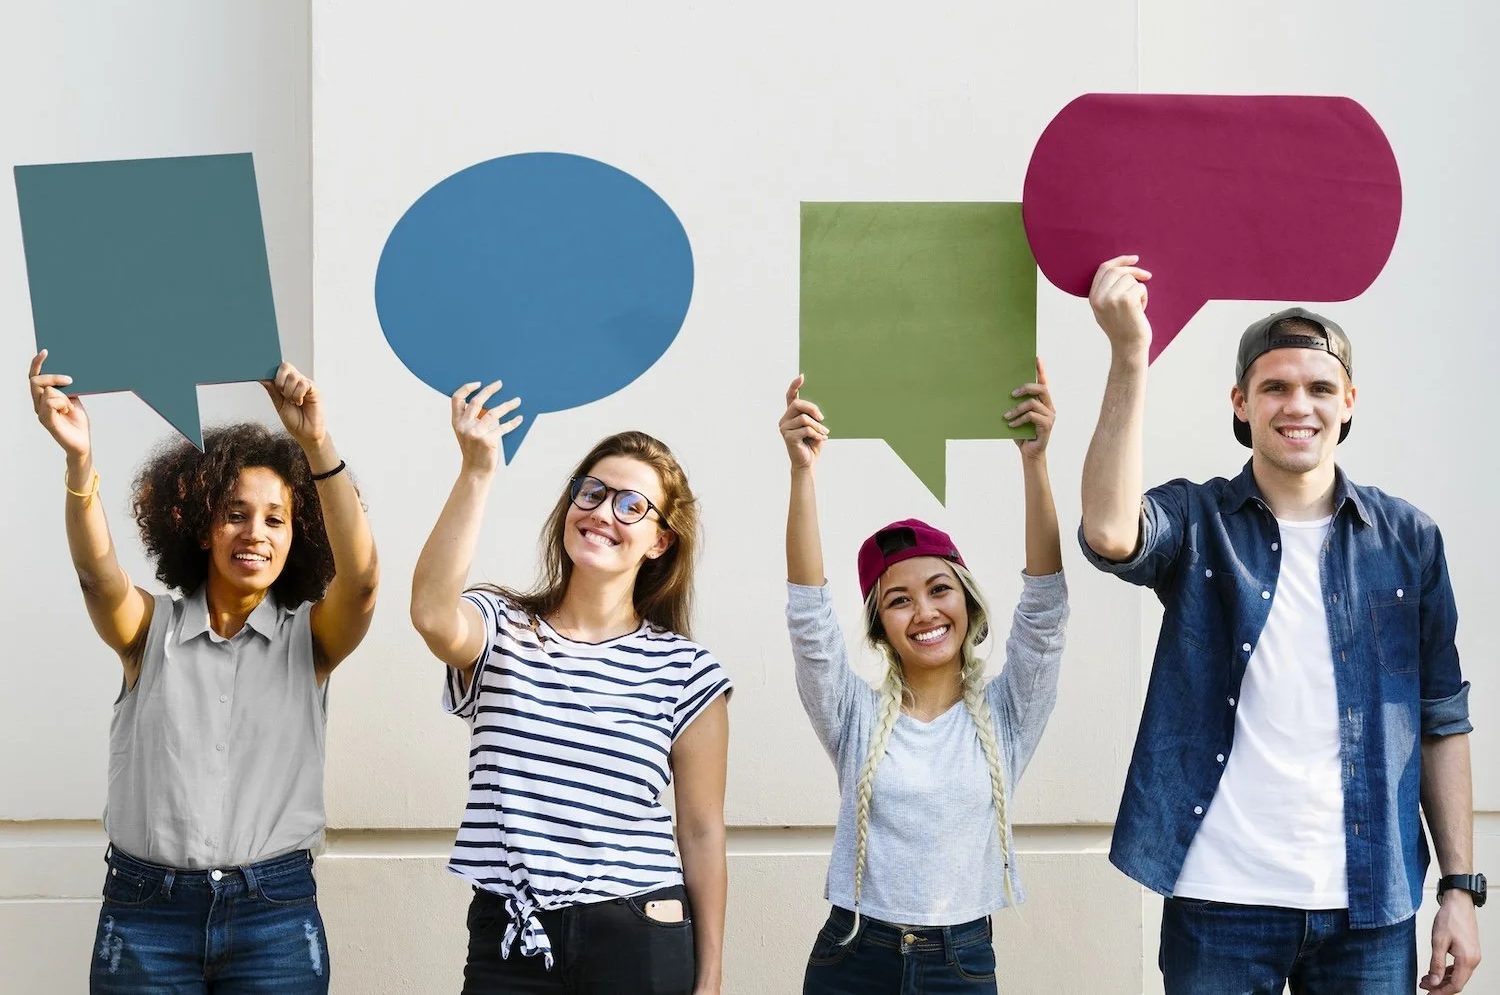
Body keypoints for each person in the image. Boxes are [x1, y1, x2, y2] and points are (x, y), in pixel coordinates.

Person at [1079, 256, 1483, 994]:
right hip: (1219, 901)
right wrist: (1129, 355)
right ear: (1242, 403)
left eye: (1320, 387)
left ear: (1349, 401)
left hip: (1368, 906)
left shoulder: (1408, 541)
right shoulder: (1200, 522)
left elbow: (1440, 717)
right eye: (1275, 387)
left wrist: (1461, 886)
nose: (1299, 403)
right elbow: (1110, 530)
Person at [27, 350, 380, 993]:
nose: (256, 533)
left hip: (273, 917)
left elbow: (360, 587)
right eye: (236, 513)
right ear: (199, 528)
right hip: (146, 916)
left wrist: (317, 443)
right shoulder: (147, 631)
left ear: (297, 538)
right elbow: (95, 575)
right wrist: (79, 460)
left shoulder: (310, 641)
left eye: (276, 519)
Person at [409, 380, 731, 995]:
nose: (603, 512)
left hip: (642, 928)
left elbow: (701, 828)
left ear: (660, 541)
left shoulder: (689, 670)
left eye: (631, 505)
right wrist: (478, 470)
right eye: (592, 492)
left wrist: (711, 976)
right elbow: (429, 611)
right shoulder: (499, 625)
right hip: (512, 933)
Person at [778, 363, 1067, 994]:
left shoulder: (1007, 713)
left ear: (967, 602)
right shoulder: (853, 715)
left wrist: (1035, 464)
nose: (926, 611)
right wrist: (803, 472)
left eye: (940, 590)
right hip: (853, 954)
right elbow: (810, 622)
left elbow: (1045, 612)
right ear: (882, 626)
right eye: (899, 600)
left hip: (958, 963)